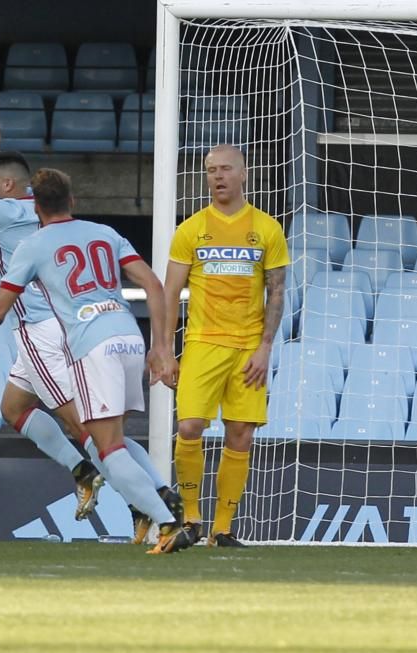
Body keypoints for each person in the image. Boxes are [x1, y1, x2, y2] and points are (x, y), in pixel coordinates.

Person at [0, 125, 178, 526]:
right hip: (64, 328)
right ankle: (85, 472)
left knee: (91, 431)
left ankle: (154, 497)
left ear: (9, 184)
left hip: (40, 332)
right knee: (14, 408)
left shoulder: (9, 210)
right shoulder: (49, 215)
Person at [0, 167, 193, 554]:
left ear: (37, 208)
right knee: (107, 438)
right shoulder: (106, 234)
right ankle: (158, 496)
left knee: (107, 448)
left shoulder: (34, 244)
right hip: (130, 335)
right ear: (72, 201)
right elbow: (153, 284)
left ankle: (165, 517)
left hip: (90, 344)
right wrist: (161, 348)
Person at [163, 144, 288, 548]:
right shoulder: (191, 229)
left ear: (243, 173)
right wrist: (164, 349)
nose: (217, 177)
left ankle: (223, 528)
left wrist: (266, 347)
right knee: (189, 426)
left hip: (248, 347)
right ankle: (191, 517)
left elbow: (278, 291)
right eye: (211, 170)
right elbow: (170, 291)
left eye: (225, 169)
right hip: (202, 342)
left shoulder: (267, 228)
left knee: (240, 434)